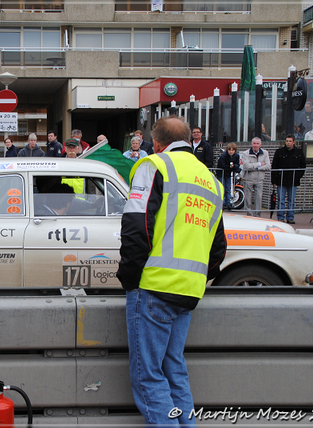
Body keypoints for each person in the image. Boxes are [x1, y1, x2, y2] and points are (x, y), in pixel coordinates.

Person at [116, 116, 226, 426]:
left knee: (148, 375)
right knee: (174, 368)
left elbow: (137, 226)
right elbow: (218, 248)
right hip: (189, 291)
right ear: (190, 141)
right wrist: (197, 278)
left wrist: (130, 279)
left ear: (157, 143)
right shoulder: (211, 181)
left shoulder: (155, 165)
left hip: (153, 287)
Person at [271, 134, 306, 224]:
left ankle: (290, 217)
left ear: (294, 142)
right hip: (281, 180)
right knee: (281, 200)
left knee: (291, 200)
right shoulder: (279, 152)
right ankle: (281, 217)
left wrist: (297, 176)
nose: (288, 143)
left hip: (293, 180)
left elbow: (303, 166)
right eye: (287, 141)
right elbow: (274, 166)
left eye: (290, 141)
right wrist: (274, 180)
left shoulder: (299, 152)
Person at [241, 137, 270, 217]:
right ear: (251, 144)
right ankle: (249, 215)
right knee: (248, 199)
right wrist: (259, 164)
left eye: (257, 143)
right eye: (254, 143)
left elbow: (268, 166)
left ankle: (257, 216)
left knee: (258, 198)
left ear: (260, 144)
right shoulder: (246, 153)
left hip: (259, 179)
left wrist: (257, 168)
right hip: (248, 179)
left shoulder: (265, 153)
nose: (256, 145)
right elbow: (246, 166)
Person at [216, 142, 241, 210]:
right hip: (221, 174)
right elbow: (221, 165)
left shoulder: (236, 156)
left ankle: (228, 203)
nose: (231, 152)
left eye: (232, 150)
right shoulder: (224, 156)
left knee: (228, 188)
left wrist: (234, 166)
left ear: (235, 151)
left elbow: (237, 165)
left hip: (228, 174)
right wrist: (230, 167)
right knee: (222, 188)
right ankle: (222, 203)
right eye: (230, 150)